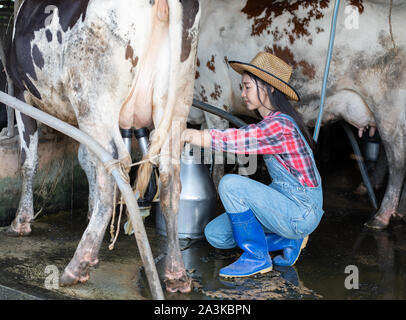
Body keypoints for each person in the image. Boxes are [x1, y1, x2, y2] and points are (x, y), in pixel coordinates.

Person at [181, 52, 324, 278]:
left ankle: (256, 258)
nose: (242, 94)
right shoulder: (271, 122)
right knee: (215, 235)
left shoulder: (280, 126)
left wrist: (191, 135)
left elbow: (237, 140)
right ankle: (288, 239)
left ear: (268, 88)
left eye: (247, 87)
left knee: (230, 184)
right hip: (284, 201)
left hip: (301, 209)